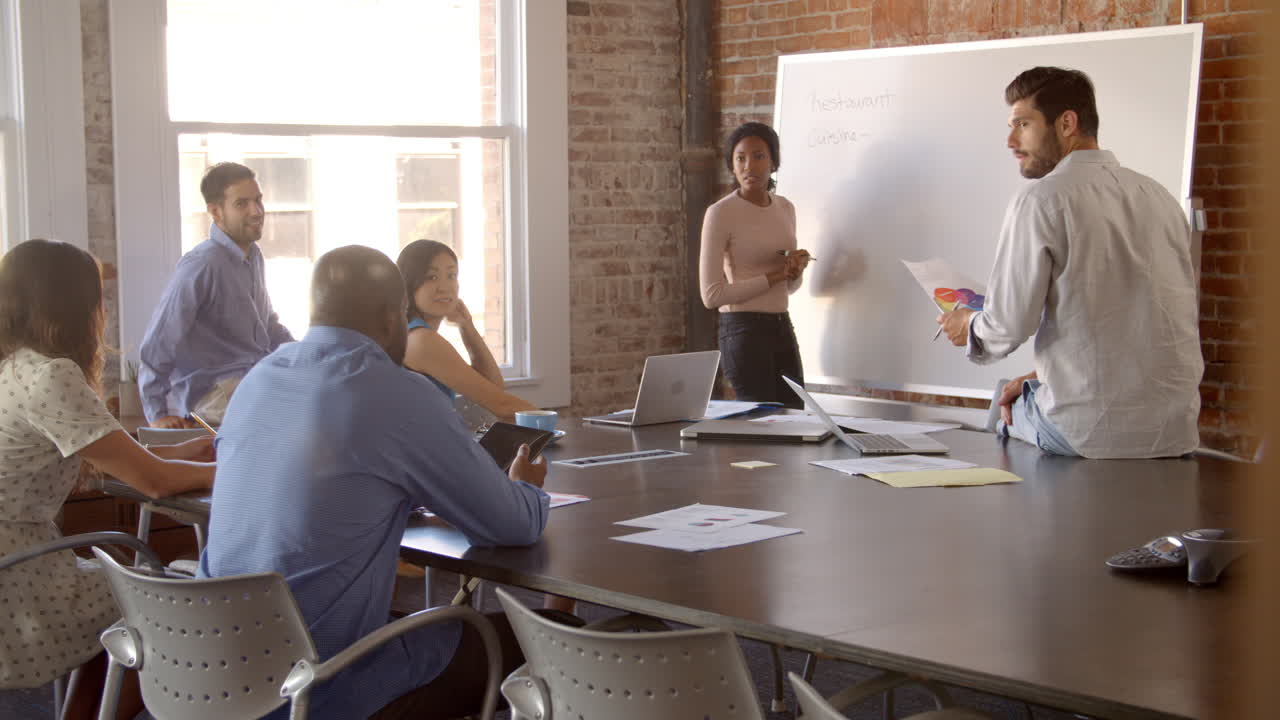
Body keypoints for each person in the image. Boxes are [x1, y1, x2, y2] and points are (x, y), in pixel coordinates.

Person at [199, 245, 557, 719]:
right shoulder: (394, 391)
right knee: (550, 633)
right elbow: (512, 526)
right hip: (318, 687)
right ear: (394, 317)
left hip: (212, 668)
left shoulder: (260, 378)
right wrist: (526, 485)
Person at [936, 67, 1202, 459]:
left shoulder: (1041, 200)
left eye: (1023, 124)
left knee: (1002, 409)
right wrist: (1039, 376)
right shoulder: (1158, 195)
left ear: (1066, 123)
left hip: (1085, 435)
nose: (1011, 141)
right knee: (1026, 388)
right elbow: (1143, 323)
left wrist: (967, 326)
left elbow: (1006, 327)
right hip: (1173, 433)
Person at [0, 239, 215, 720]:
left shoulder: (14, 367)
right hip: (18, 575)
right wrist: (236, 468)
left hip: (16, 560)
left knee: (122, 580)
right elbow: (154, 483)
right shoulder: (50, 375)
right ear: (75, 305)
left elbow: (103, 457)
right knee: (158, 601)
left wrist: (183, 453)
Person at [138, 162, 295, 429]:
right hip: (213, 398)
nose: (256, 211)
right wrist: (157, 415)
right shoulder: (202, 264)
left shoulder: (253, 256)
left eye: (258, 200)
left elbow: (268, 327)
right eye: (241, 204)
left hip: (249, 385)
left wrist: (310, 355)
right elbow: (158, 343)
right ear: (215, 211)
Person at [699, 121, 812, 408]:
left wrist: (794, 272)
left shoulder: (785, 208)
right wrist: (775, 275)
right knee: (762, 427)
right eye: (741, 158)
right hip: (743, 330)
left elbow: (789, 288)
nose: (750, 166)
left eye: (759, 156)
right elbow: (711, 295)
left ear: (773, 162)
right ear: (732, 165)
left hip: (781, 326)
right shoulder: (720, 213)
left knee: (797, 421)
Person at [396, 239, 536, 421]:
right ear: (409, 283)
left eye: (451, 275)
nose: (444, 287)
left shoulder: (416, 334)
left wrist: (467, 325)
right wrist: (551, 425)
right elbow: (502, 405)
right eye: (431, 277)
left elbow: (494, 386)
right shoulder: (421, 340)